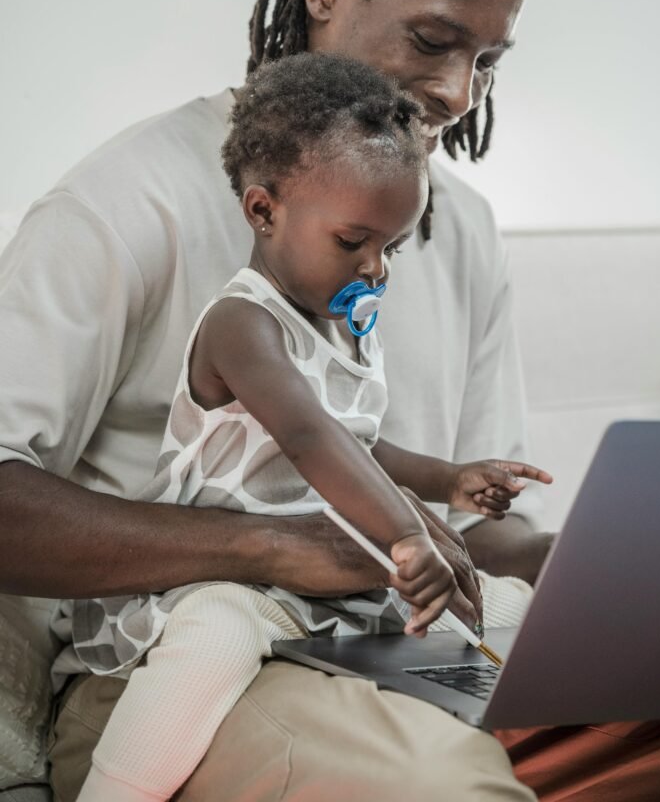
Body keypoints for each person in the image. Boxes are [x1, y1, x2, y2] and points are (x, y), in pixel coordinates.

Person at [1, 0, 660, 802]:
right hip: (182, 669)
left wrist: (592, 568)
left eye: (486, 60)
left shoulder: (462, 228)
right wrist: (274, 548)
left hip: (386, 646)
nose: (458, 91)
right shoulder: (130, 200)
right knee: (446, 789)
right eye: (433, 39)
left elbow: (461, 523)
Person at [70, 52, 551, 802]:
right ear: (263, 211)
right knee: (216, 639)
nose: (376, 269)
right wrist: (407, 534)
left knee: (511, 607)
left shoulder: (342, 327)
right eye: (353, 242)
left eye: (391, 248)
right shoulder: (242, 325)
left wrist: (448, 479)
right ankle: (114, 789)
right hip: (225, 581)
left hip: (329, 582)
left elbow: (361, 445)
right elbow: (310, 439)